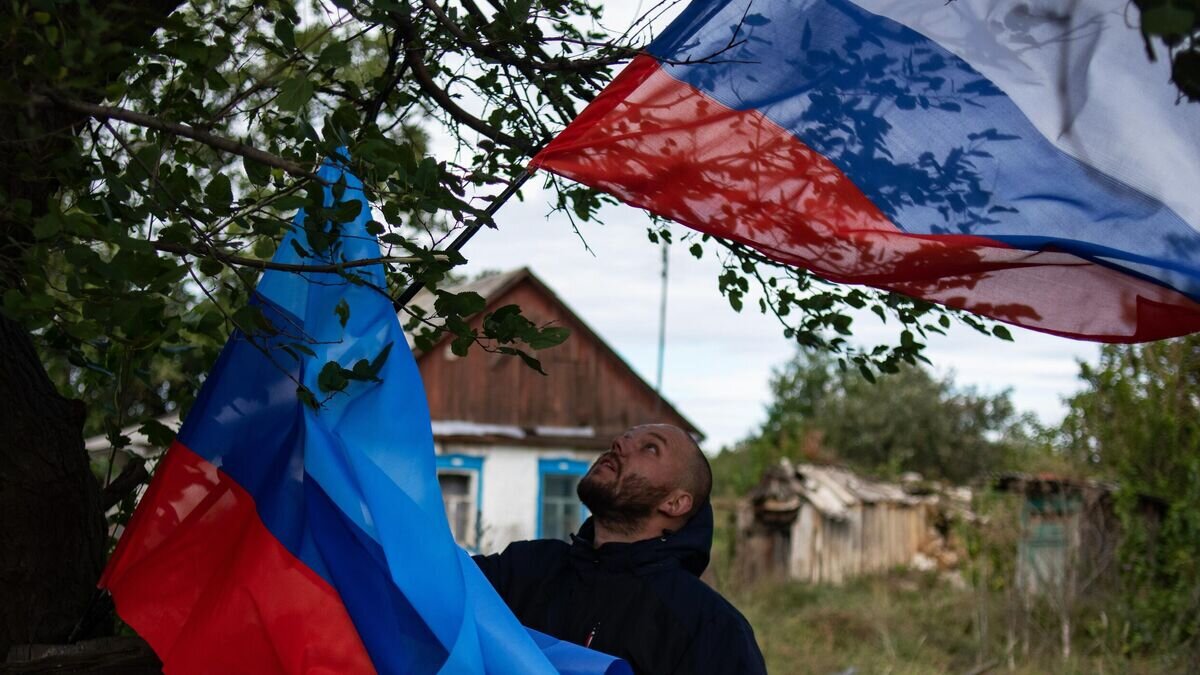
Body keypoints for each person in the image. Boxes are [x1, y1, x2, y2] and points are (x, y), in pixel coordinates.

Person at [474, 424, 767, 674]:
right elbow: (434, 592)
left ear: (675, 503)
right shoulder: (525, 567)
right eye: (625, 436)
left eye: (650, 448)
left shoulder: (710, 628)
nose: (619, 443)